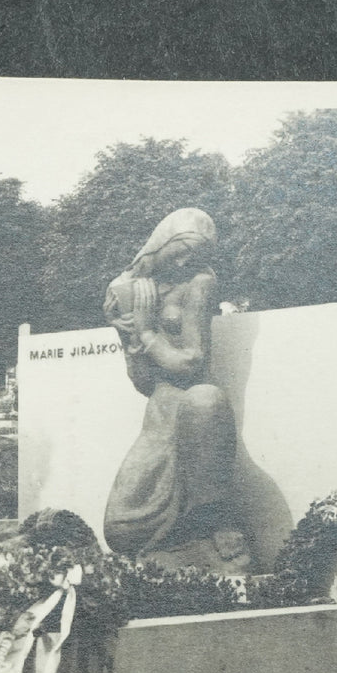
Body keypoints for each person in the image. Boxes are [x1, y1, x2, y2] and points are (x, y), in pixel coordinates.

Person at [102, 208, 249, 574]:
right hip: (160, 413)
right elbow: (142, 382)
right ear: (161, 243)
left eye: (197, 255)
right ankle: (179, 550)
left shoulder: (199, 281)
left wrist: (147, 331)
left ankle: (214, 525)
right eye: (182, 250)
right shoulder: (132, 287)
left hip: (198, 408)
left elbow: (191, 362)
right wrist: (126, 335)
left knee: (205, 399)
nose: (186, 260)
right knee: (120, 530)